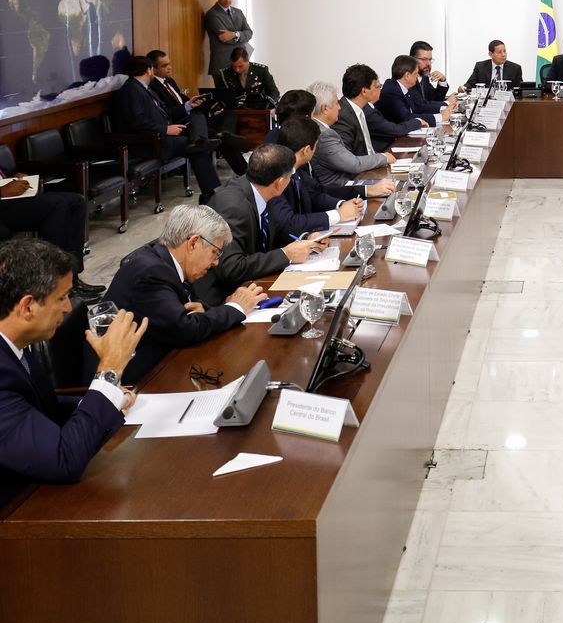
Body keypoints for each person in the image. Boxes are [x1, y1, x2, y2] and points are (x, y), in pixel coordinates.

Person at [0, 238, 147, 507]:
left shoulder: (16, 345)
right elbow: (63, 459)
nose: (69, 308)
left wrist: (109, 398)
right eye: (61, 297)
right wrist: (109, 371)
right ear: (27, 306)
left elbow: (41, 409)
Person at [84, 206, 265, 384]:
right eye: (215, 252)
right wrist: (235, 307)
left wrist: (209, 309)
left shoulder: (165, 259)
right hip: (131, 381)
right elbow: (184, 329)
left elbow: (188, 311)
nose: (216, 262)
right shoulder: (151, 272)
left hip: (161, 360)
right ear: (193, 243)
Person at [196, 144, 324, 306]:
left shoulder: (260, 189)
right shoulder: (233, 207)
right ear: (279, 183)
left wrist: (306, 239)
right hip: (219, 299)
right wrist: (286, 254)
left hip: (251, 285)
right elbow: (231, 268)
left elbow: (275, 229)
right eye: (290, 176)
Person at [111, 55, 223, 202]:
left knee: (196, 115)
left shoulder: (144, 88)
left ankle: (199, 140)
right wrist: (165, 129)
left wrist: (188, 106)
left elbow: (165, 113)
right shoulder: (131, 89)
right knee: (194, 148)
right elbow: (137, 121)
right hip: (152, 141)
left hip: (163, 132)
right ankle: (208, 189)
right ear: (149, 70)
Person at [272, 117, 395, 235]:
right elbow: (288, 222)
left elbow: (314, 194)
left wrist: (341, 205)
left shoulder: (295, 168)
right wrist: (338, 215)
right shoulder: (276, 176)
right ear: (306, 150)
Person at [0, 161, 103, 299]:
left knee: (77, 201)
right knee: (56, 205)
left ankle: (72, 277)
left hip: (10, 199)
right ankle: (55, 281)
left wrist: (14, 177)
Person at [147, 49, 247, 176]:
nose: (170, 68)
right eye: (165, 66)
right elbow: (166, 113)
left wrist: (208, 110)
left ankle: (226, 133)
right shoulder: (152, 87)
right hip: (180, 124)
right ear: (153, 69)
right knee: (219, 138)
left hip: (195, 118)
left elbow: (186, 102)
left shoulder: (170, 81)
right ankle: (244, 171)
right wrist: (188, 106)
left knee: (229, 113)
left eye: (170, 64)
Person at [310, 81, 393, 187]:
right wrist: (384, 157)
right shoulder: (324, 134)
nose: (339, 107)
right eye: (336, 103)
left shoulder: (319, 128)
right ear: (325, 108)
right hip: (340, 189)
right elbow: (354, 164)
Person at [334, 63, 417, 157]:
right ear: (364, 91)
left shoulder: (360, 109)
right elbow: (348, 160)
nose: (380, 90)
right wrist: (382, 159)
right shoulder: (343, 115)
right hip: (363, 167)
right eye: (376, 87)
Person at [380, 55, 450, 127]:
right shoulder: (392, 90)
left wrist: (444, 109)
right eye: (416, 74)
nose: (417, 77)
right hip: (397, 137)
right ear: (407, 76)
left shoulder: (404, 87)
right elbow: (406, 117)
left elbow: (418, 107)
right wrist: (440, 117)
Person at [204, 0, 253, 77]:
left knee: (243, 92)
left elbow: (249, 33)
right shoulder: (212, 14)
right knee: (225, 93)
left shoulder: (238, 12)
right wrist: (241, 35)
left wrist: (235, 34)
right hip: (223, 65)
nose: (227, 0)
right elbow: (225, 39)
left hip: (241, 63)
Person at [212, 47, 280, 110]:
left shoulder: (261, 70)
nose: (237, 70)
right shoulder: (226, 74)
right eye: (234, 66)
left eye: (240, 66)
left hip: (259, 108)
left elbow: (274, 92)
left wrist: (269, 106)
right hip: (235, 111)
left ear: (247, 61)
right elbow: (221, 95)